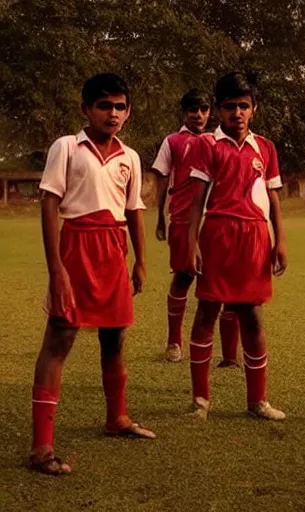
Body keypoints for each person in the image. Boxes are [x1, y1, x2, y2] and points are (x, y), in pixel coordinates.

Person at [30, 73, 155, 475]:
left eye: (120, 106)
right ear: (86, 109)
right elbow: (49, 205)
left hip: (113, 249)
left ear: (128, 111)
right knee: (60, 338)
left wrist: (139, 261)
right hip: (77, 247)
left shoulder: (130, 157)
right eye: (104, 106)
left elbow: (133, 210)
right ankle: (41, 448)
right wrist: (57, 271)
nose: (112, 113)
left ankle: (116, 418)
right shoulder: (67, 147)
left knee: (115, 337)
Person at [185, 72, 287, 421]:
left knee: (252, 316)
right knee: (207, 312)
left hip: (255, 237)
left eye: (244, 106)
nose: (237, 113)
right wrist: (190, 243)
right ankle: (201, 400)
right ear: (218, 111)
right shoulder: (207, 145)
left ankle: (257, 400)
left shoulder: (266, 148)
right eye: (230, 107)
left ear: (254, 109)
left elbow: (273, 200)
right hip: (218, 235)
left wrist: (280, 241)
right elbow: (196, 200)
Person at [151, 89, 240, 365]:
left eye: (203, 109)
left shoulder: (218, 141)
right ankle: (174, 343)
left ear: (210, 112)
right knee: (184, 276)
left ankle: (227, 353)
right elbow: (162, 178)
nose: (198, 115)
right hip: (182, 218)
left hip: (216, 217)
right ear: (184, 112)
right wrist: (160, 216)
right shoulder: (173, 141)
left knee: (224, 281)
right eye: (193, 110)